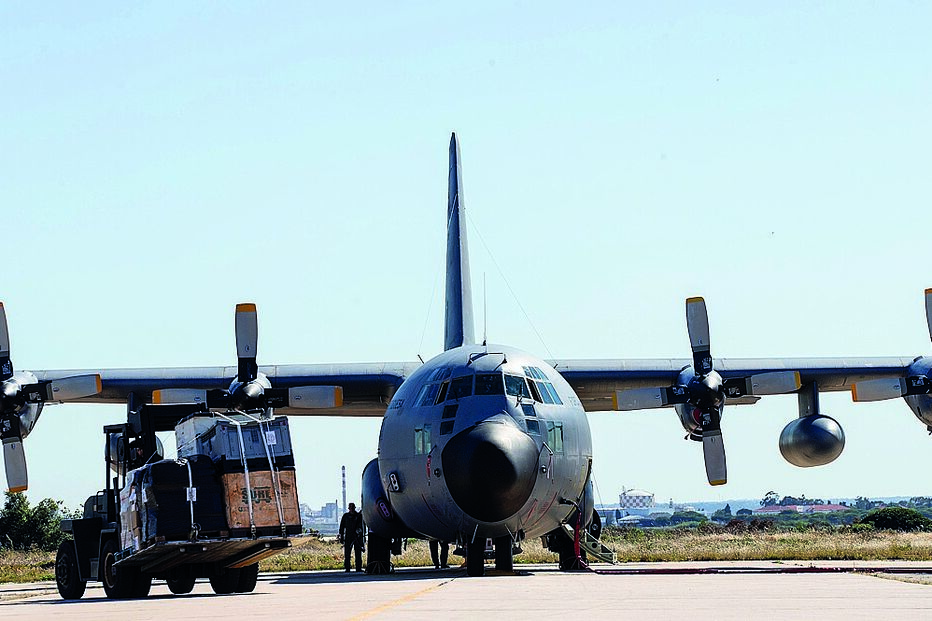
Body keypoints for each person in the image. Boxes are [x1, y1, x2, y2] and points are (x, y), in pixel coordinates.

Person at [339, 502, 365, 572]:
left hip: (357, 537)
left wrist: (362, 538)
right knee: (347, 553)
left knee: (358, 553)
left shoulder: (359, 516)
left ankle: (358, 568)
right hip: (348, 537)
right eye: (350, 508)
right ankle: (347, 568)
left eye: (352, 508)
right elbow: (342, 527)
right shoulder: (346, 516)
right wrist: (341, 537)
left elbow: (362, 527)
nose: (351, 509)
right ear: (349, 509)